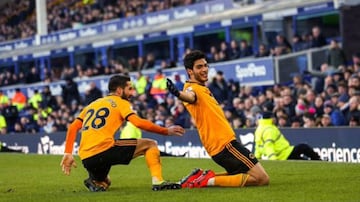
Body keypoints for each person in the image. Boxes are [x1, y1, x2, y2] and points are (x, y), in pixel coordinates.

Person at [60, 74, 185, 192]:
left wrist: (68, 152)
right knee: (150, 144)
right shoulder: (121, 102)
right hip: (104, 149)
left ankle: (94, 180)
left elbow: (73, 127)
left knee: (105, 182)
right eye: (129, 89)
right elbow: (138, 123)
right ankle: (158, 182)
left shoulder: (92, 105)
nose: (132, 92)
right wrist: (166, 131)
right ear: (119, 91)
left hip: (87, 158)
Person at [166, 50, 269, 188]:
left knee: (239, 174)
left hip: (220, 145)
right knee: (262, 179)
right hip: (224, 144)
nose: (204, 69)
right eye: (199, 67)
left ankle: (200, 177)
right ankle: (205, 181)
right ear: (190, 71)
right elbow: (189, 96)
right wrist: (178, 94)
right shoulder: (192, 88)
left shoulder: (202, 88)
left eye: (205, 65)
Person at [254, 111, 321, 161]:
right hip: (284, 154)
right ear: (271, 118)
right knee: (303, 147)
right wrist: (273, 159)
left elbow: (258, 146)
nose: (275, 119)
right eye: (274, 117)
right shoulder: (269, 129)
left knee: (302, 160)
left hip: (284, 153)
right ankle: (318, 160)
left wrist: (256, 159)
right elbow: (268, 145)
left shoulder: (259, 129)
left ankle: (316, 162)